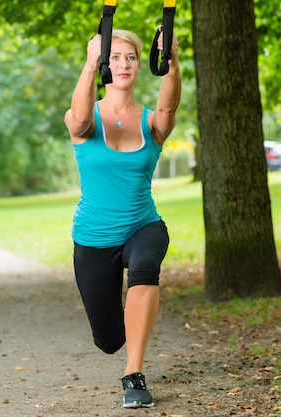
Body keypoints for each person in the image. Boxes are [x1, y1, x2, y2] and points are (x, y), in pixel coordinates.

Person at [64, 28, 181, 409]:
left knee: (146, 265)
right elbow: (79, 119)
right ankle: (120, 350)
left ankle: (134, 376)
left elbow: (167, 109)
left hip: (142, 226)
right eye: (114, 57)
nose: (124, 63)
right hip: (94, 238)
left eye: (130, 57)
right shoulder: (83, 117)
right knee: (109, 339)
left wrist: (173, 61)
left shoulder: (151, 123)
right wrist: (87, 64)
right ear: (102, 64)